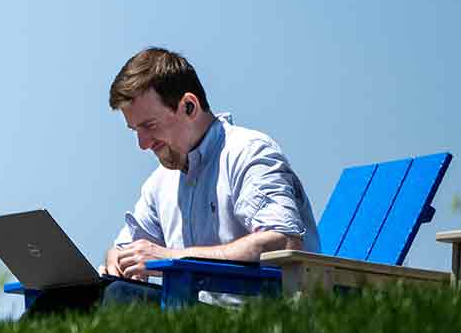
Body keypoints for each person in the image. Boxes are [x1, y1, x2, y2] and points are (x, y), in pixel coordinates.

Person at [98, 48, 317, 306]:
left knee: (121, 298)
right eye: (135, 130)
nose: (142, 144)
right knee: (70, 300)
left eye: (150, 126)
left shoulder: (247, 152)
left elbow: (283, 241)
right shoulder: (159, 184)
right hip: (192, 316)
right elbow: (128, 247)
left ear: (189, 106)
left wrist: (173, 258)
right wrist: (118, 259)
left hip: (259, 323)